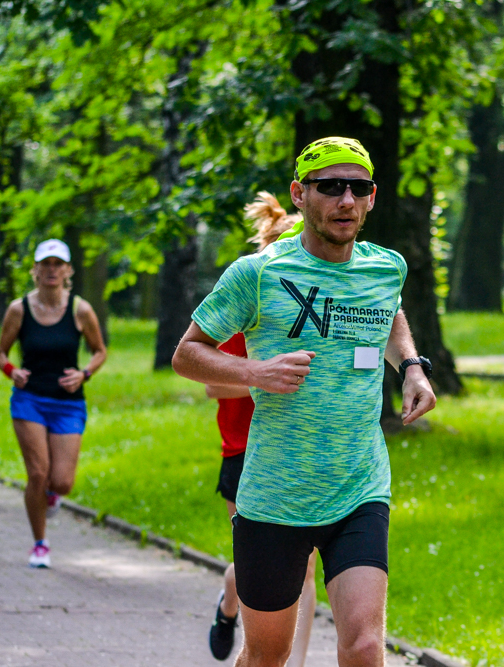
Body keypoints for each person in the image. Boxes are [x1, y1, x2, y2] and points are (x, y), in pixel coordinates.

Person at [173, 137, 437, 667]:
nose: (346, 200)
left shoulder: (386, 268)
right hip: (276, 496)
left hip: (358, 485)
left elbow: (389, 313)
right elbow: (187, 354)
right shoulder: (258, 274)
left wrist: (411, 366)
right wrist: (255, 372)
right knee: (266, 657)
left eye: (358, 188)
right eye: (330, 187)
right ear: (299, 194)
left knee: (365, 647)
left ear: (372, 197)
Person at [206, 193, 319, 663]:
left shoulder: (317, 313)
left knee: (305, 567)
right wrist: (263, 377)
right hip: (244, 450)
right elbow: (212, 385)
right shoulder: (248, 303)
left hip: (299, 450)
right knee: (256, 564)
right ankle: (229, 604)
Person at [0, 239, 107, 568]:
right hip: (29, 400)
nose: (52, 270)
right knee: (38, 473)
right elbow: (0, 353)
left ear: (68, 270)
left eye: (58, 264)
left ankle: (51, 495)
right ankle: (40, 544)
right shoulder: (18, 310)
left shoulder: (80, 310)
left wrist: (84, 374)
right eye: (46, 263)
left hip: (68, 404)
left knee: (62, 482)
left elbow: (99, 351)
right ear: (35, 269)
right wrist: (11, 371)